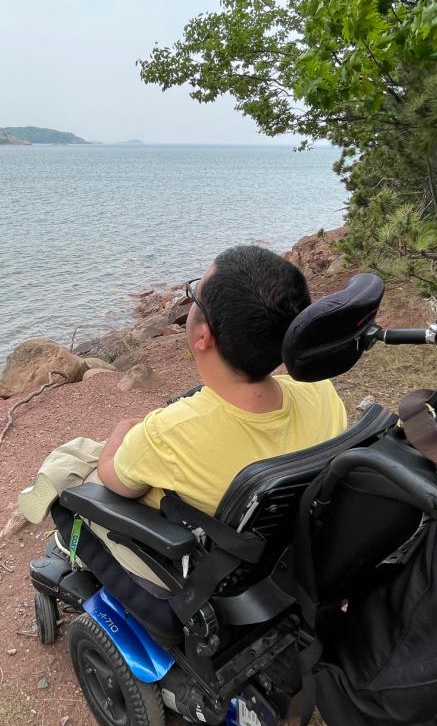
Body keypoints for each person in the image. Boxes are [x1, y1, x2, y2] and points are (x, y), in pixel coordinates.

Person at [20, 244, 347, 598]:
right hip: (289, 551)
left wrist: (119, 434)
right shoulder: (321, 393)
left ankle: (54, 524)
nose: (189, 302)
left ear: (203, 335)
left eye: (194, 295)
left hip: (209, 568)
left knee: (77, 463)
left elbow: (115, 482)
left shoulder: (170, 433)